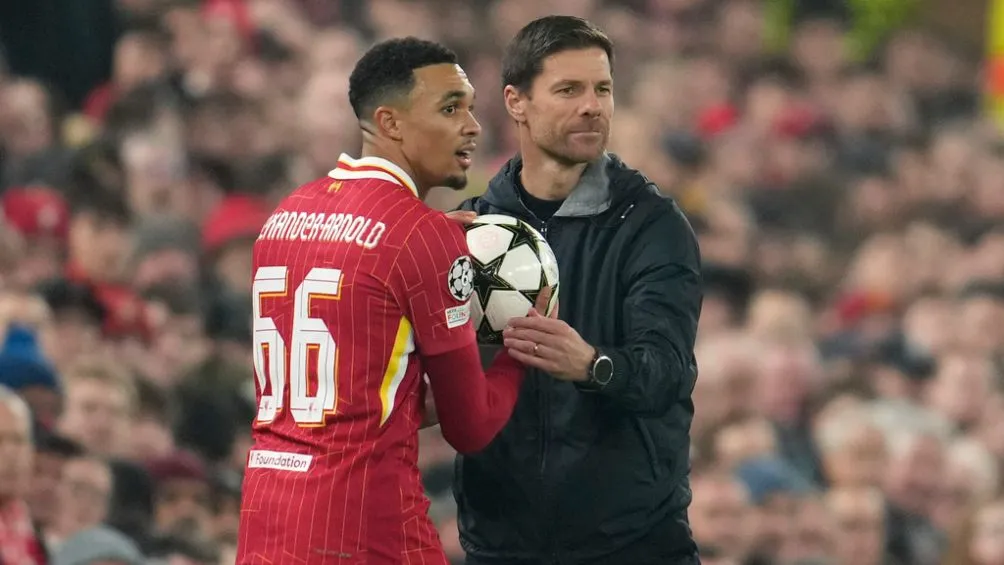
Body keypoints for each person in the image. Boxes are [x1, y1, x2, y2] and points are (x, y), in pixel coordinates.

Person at [235, 37, 558, 565]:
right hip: (363, 524)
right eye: (451, 108)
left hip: (266, 518)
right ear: (390, 123)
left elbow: (357, 390)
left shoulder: (285, 215)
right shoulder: (421, 237)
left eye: (471, 108)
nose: (473, 126)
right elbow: (470, 426)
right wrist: (522, 349)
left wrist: (429, 244)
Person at [454, 16, 703, 565]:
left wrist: (594, 364)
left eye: (603, 89)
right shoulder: (473, 228)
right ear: (516, 102)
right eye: (569, 89)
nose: (593, 105)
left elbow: (667, 372)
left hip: (634, 544)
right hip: (502, 545)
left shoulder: (652, 225)